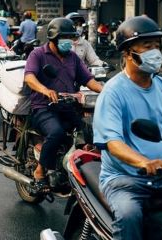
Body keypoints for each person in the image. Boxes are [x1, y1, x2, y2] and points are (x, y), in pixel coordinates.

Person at [93, 16, 162, 240]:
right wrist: (144, 161)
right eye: (148, 47)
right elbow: (113, 144)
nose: (155, 52)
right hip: (125, 179)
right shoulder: (114, 91)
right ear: (128, 53)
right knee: (130, 215)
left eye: (157, 46)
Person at [24, 17, 103, 190]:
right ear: (53, 38)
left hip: (67, 106)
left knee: (90, 131)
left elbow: (88, 80)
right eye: (64, 38)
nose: (69, 42)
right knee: (57, 132)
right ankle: (40, 170)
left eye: (71, 38)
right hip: (43, 108)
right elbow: (29, 77)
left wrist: (107, 92)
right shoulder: (38, 54)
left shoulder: (73, 58)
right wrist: (45, 90)